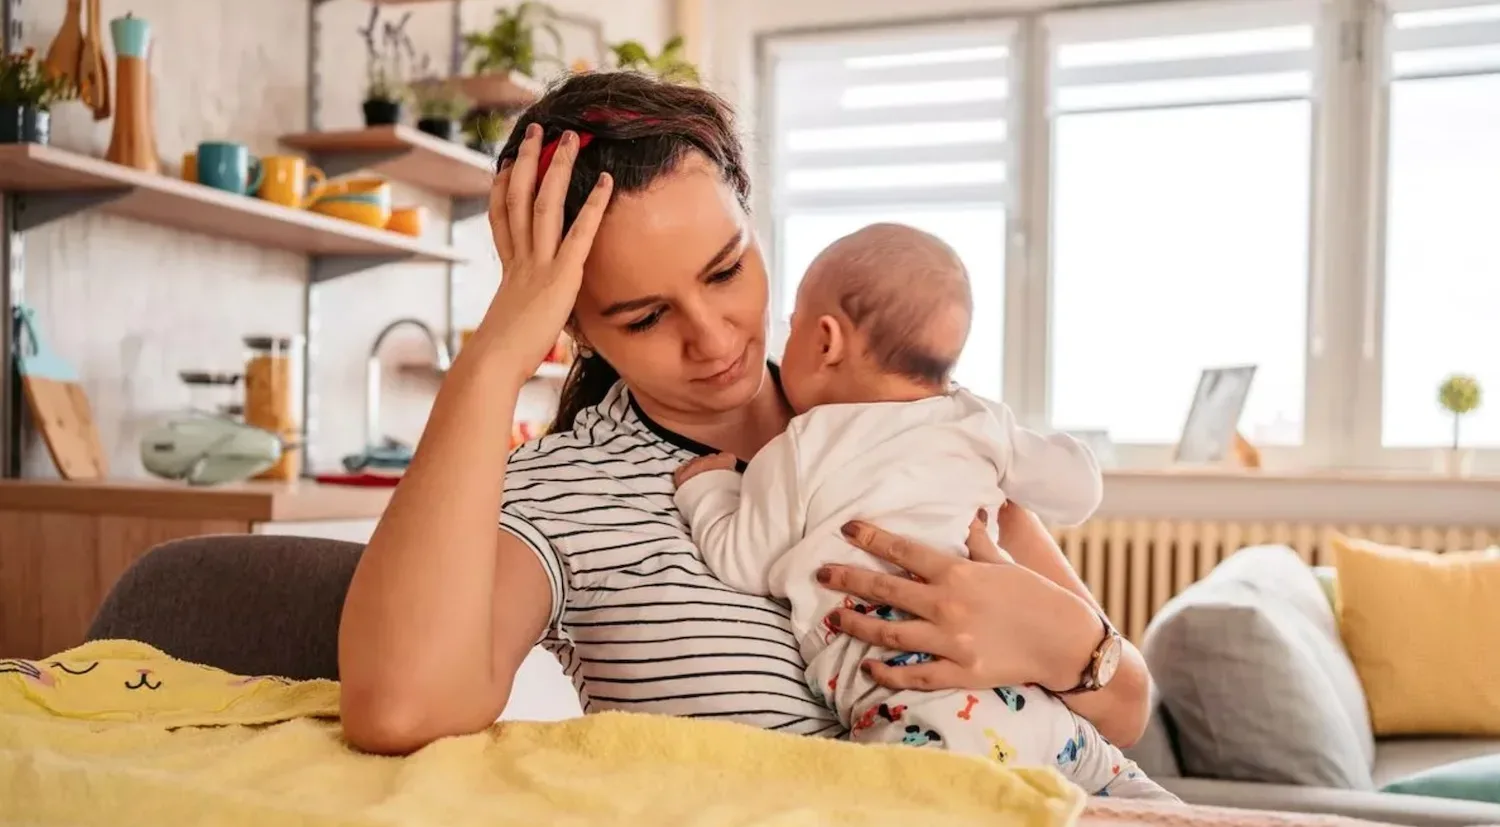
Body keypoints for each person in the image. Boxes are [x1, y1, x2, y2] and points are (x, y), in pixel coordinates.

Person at [335, 71, 1155, 761]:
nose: (714, 336)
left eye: (726, 270)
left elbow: (1127, 706)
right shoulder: (569, 491)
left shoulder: (895, 412)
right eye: (645, 316)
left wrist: (1068, 645)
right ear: (574, 325)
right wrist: (494, 357)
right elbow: (401, 710)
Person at [670, 224, 1174, 800]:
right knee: (1153, 806)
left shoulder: (801, 445)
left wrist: (708, 490)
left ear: (826, 341)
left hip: (925, 715)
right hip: (1043, 713)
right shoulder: (977, 419)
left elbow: (742, 559)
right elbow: (1078, 492)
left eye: (795, 327)